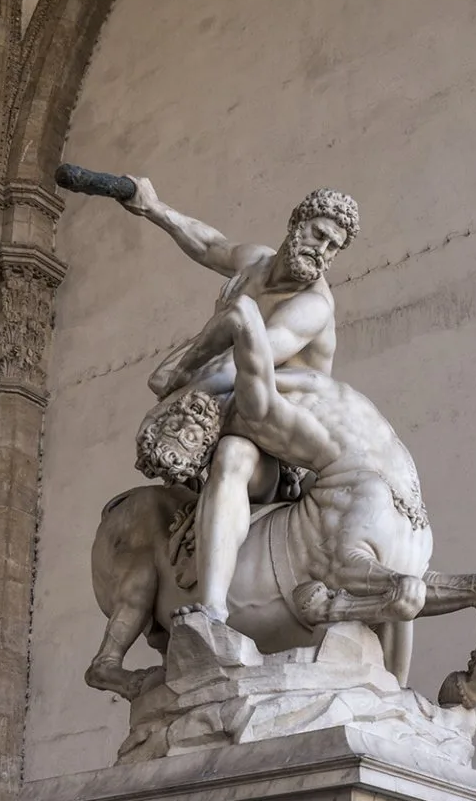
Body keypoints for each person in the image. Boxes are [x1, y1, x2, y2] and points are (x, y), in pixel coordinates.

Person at [122, 178, 359, 622]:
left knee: (234, 457)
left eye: (334, 247)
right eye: (318, 235)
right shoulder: (256, 263)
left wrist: (174, 395)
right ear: (296, 224)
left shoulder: (312, 306)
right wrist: (155, 208)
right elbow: (210, 244)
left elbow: (244, 362)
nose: (323, 251)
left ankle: (211, 610)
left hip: (280, 440)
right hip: (228, 410)